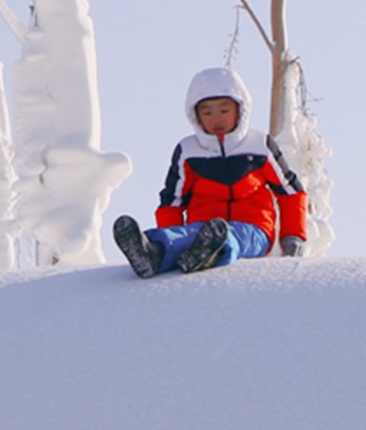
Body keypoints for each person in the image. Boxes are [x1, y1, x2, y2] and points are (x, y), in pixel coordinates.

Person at [115, 65, 309, 277]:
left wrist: (293, 236)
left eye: (224, 110)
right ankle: (152, 252)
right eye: (207, 112)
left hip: (253, 228)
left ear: (240, 109)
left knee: (230, 237)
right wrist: (169, 233)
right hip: (201, 228)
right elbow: (172, 203)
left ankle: (212, 254)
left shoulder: (259, 145)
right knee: (185, 236)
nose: (217, 119)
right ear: (195, 116)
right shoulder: (188, 152)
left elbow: (291, 192)